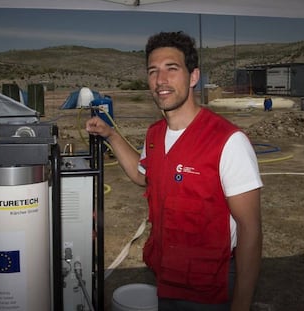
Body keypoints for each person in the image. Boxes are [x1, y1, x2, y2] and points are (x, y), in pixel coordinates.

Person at [86, 31, 263, 311]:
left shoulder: (228, 141)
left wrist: (241, 305)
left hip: (210, 287)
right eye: (153, 71)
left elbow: (250, 229)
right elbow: (143, 176)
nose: (161, 80)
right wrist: (111, 135)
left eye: (172, 69)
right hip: (167, 277)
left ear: (193, 77)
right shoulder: (154, 134)